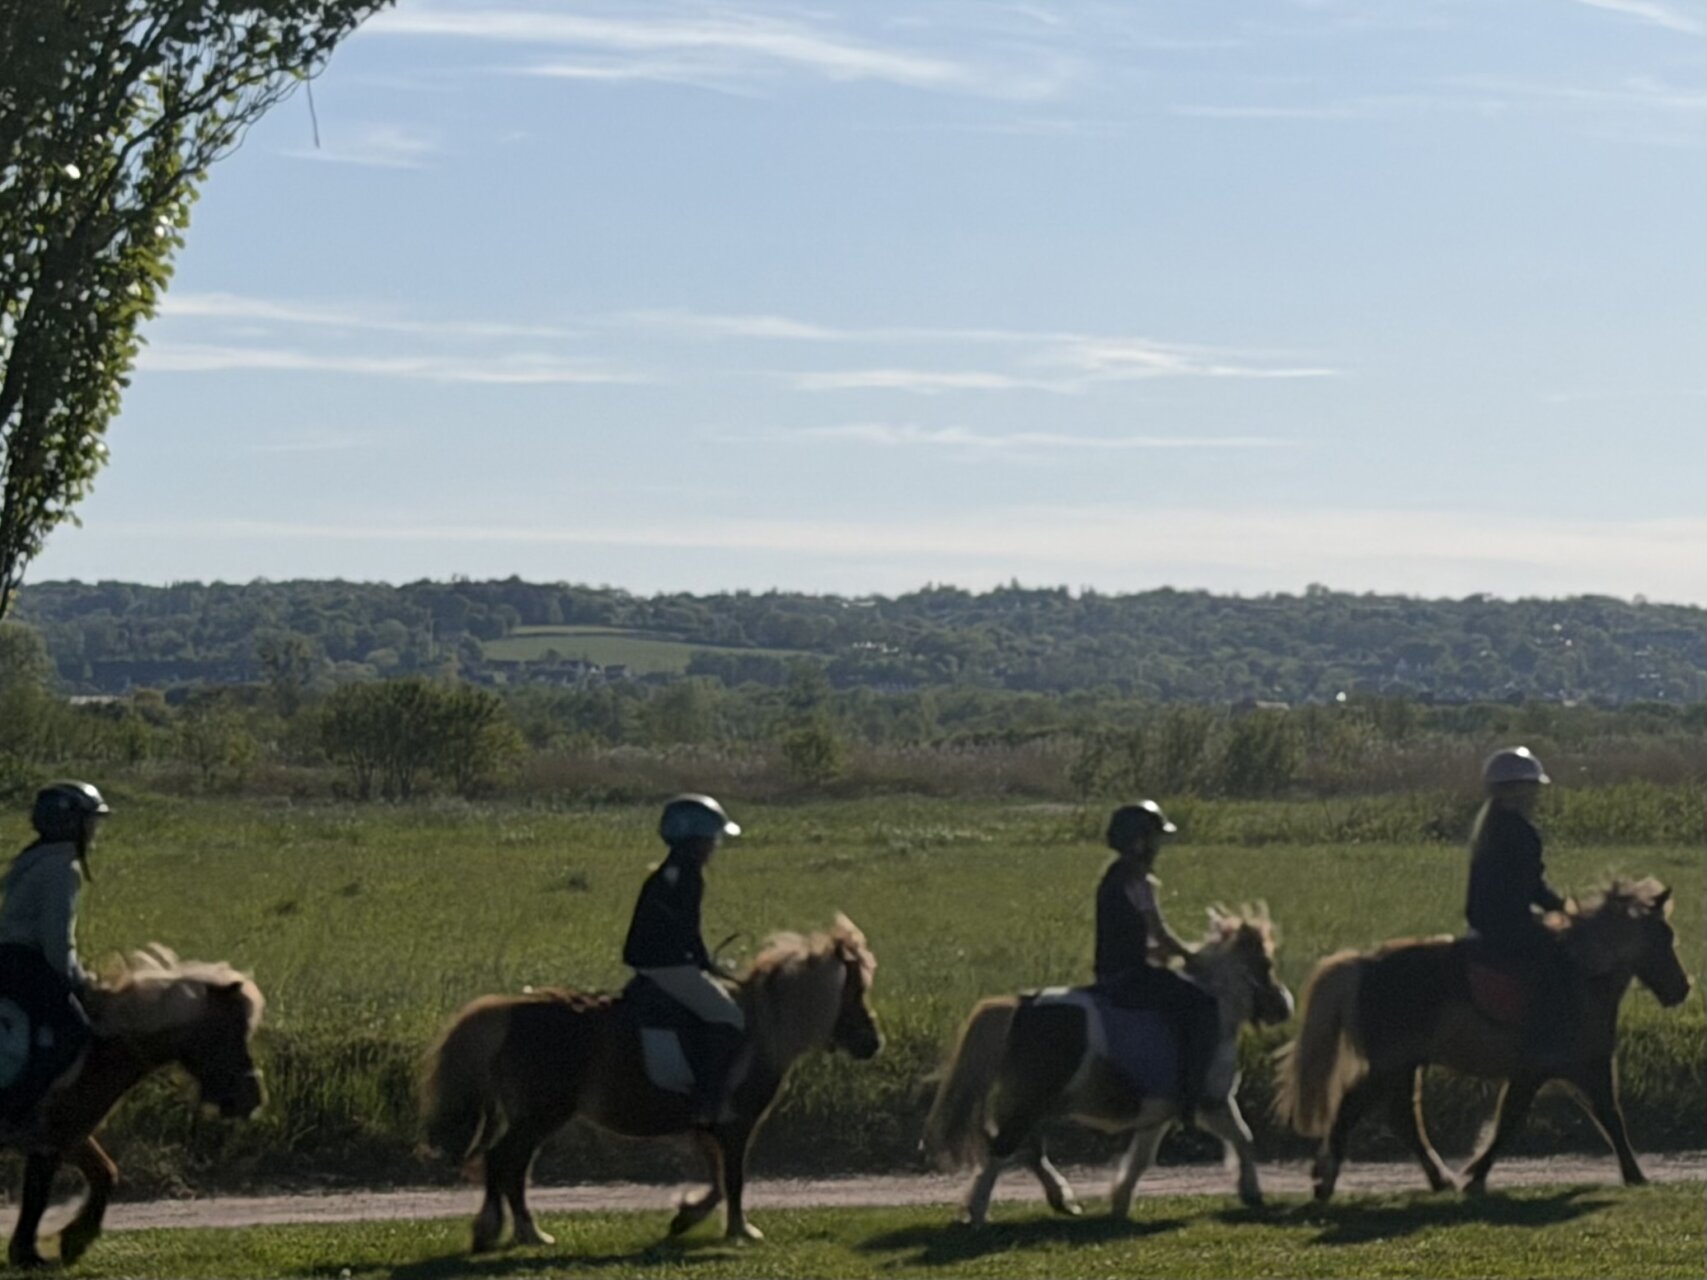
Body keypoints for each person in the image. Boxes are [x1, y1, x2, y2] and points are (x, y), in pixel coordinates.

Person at [1092, 800, 1221, 1127]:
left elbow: (1127, 936)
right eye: (1153, 839)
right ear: (1139, 841)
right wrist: (1193, 958)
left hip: (1111, 972)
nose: (1157, 848)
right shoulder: (1139, 881)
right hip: (1132, 977)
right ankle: (1191, 1099)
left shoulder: (1113, 877)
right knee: (1204, 1006)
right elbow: (1159, 932)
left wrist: (1153, 954)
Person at [622, 793, 746, 1125]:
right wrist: (704, 963)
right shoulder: (688, 875)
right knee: (730, 1019)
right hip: (668, 966)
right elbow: (687, 931)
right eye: (710, 839)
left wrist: (702, 961)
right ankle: (710, 1098)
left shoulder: (669, 871)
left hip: (653, 962)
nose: (713, 846)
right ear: (693, 840)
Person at [0, 781, 110, 1127]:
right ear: (70, 824)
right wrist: (79, 980)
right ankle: (19, 1112)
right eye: (90, 821)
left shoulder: (36, 858)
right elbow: (56, 940)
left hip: (12, 959)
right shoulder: (63, 869)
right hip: (27, 964)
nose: (94, 829)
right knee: (74, 1031)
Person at [1465, 746, 1576, 1066]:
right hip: (1508, 925)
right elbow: (1532, 889)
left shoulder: (1489, 826)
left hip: (1483, 922)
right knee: (1561, 959)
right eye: (1532, 788)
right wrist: (1564, 909)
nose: (1536, 796)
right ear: (1516, 790)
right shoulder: (1522, 832)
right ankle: (1545, 1037)